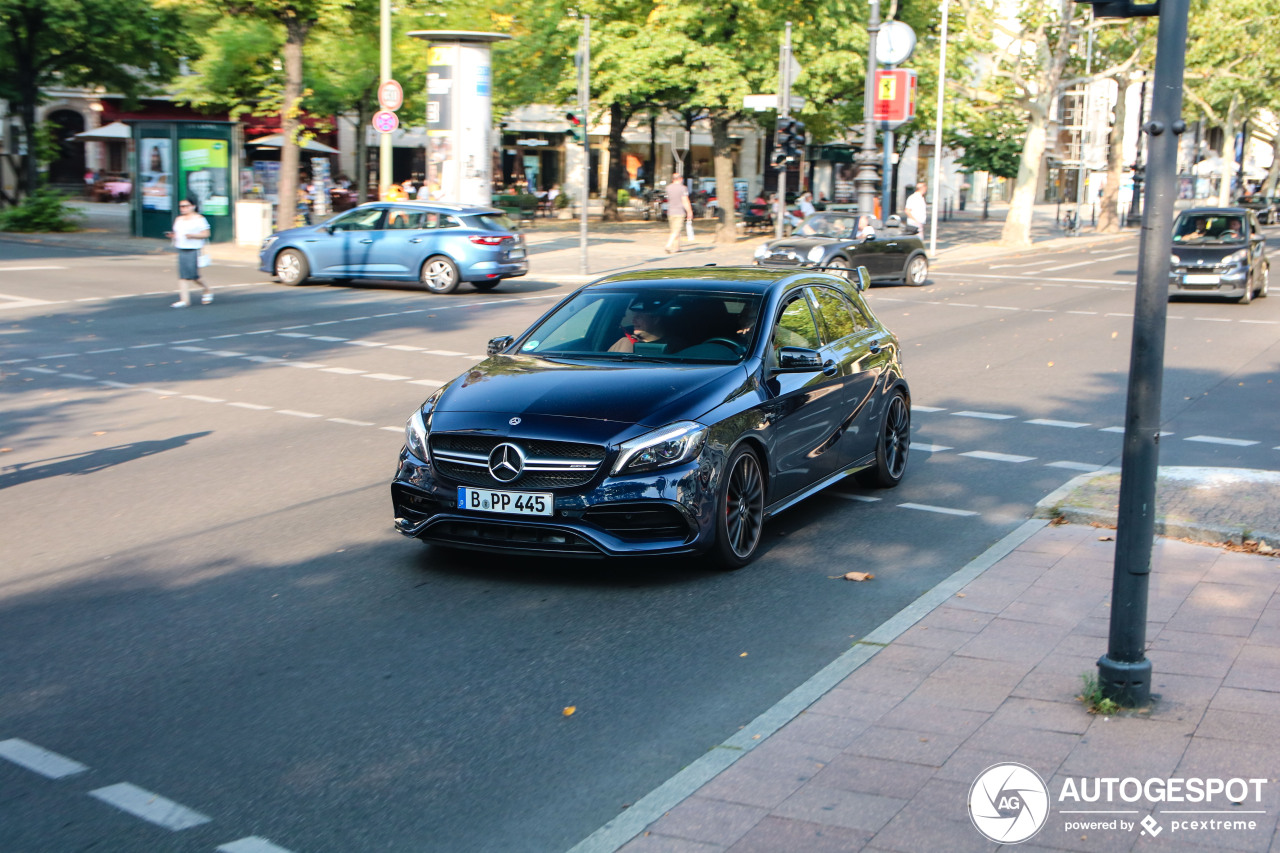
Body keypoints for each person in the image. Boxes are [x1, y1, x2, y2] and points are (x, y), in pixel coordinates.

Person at [165, 199, 212, 308]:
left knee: (194, 276)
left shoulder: (199, 219)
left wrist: (193, 235)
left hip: (193, 248)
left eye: (185, 206)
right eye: (181, 206)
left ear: (193, 206)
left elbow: (206, 234)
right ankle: (184, 300)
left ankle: (207, 289)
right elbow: (177, 233)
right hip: (181, 248)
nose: (183, 208)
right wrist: (173, 236)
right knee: (183, 276)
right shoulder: (179, 219)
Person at [664, 174, 695, 253]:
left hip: (670, 211)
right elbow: (685, 200)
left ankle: (677, 247)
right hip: (679, 211)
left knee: (674, 229)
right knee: (676, 230)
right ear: (680, 179)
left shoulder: (668, 188)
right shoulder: (683, 188)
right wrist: (689, 211)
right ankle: (668, 245)